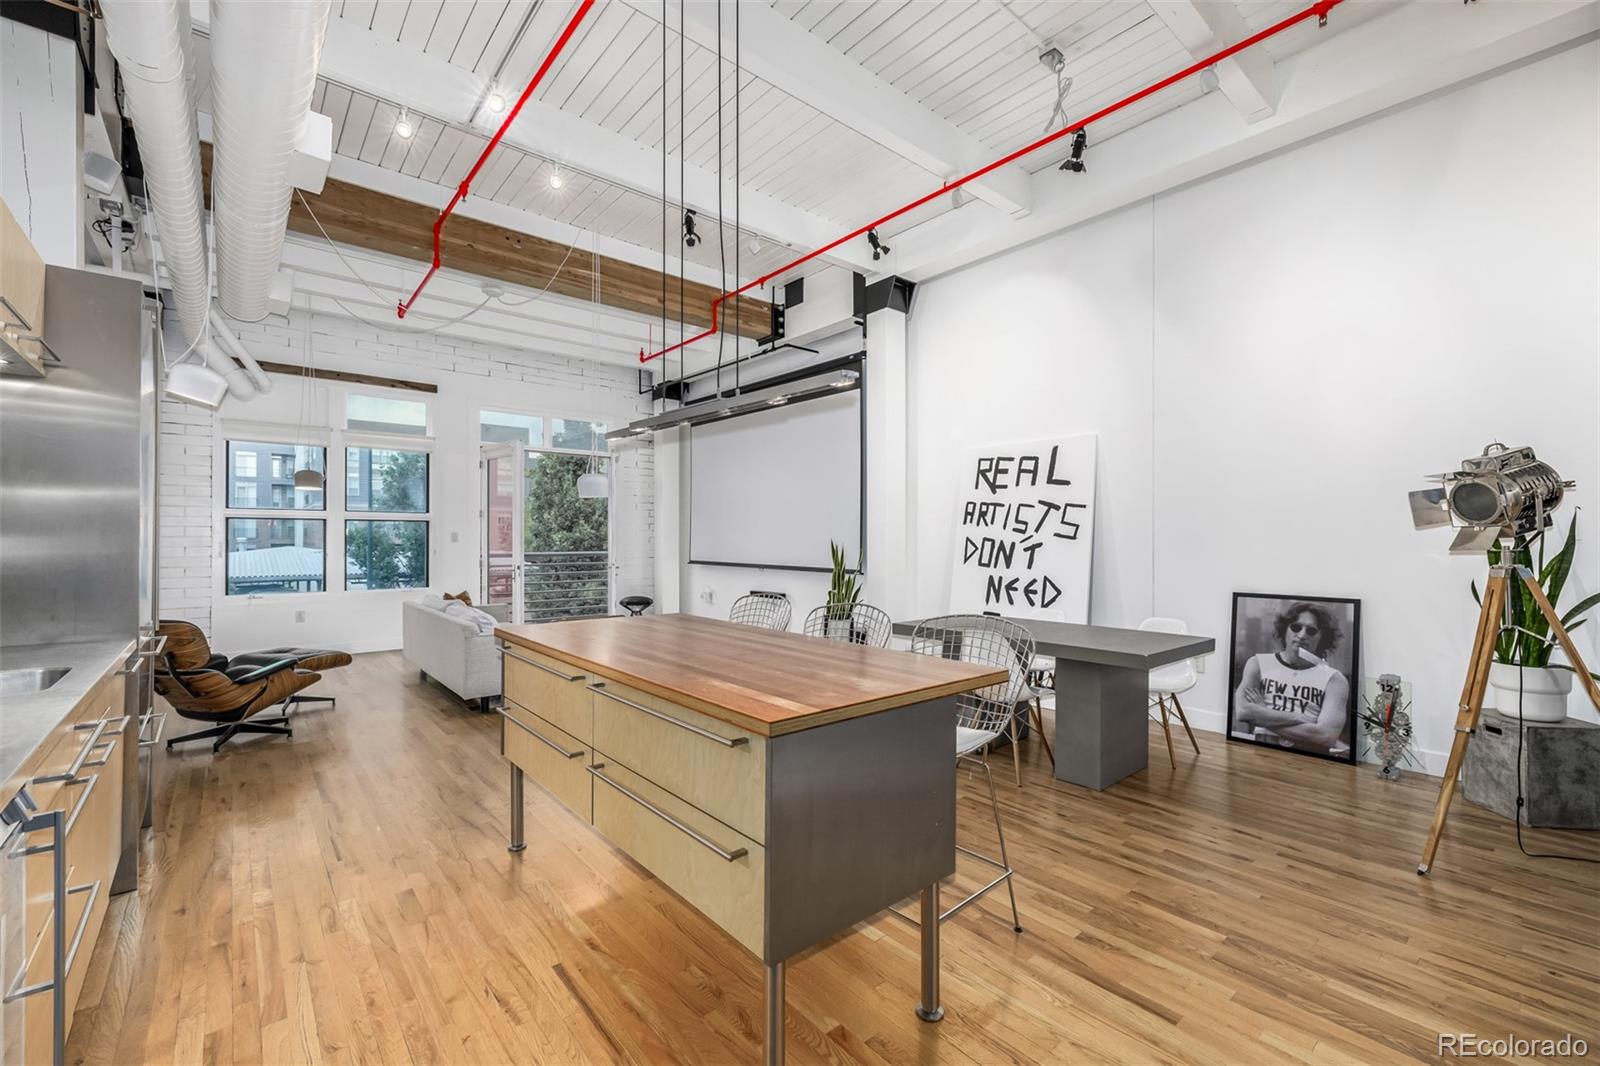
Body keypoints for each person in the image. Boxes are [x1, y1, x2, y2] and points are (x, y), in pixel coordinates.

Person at [1232, 601, 1351, 756]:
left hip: (1311, 761)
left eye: (1311, 631)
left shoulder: (1335, 680)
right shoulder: (1257, 664)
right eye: (1296, 627)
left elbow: (1325, 736)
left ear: (1322, 638)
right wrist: (1298, 717)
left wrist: (1264, 714)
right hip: (1262, 754)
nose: (1302, 635)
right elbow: (1243, 711)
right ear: (1285, 630)